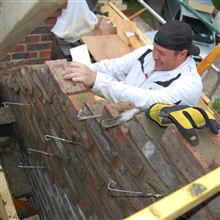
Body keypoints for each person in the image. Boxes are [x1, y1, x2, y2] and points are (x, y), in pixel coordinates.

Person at [62, 20, 203, 108]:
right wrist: (84, 70)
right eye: (155, 48)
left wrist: (96, 80)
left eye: (162, 53)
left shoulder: (189, 84)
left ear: (182, 54)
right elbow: (115, 67)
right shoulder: (147, 53)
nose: (154, 56)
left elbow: (147, 101)